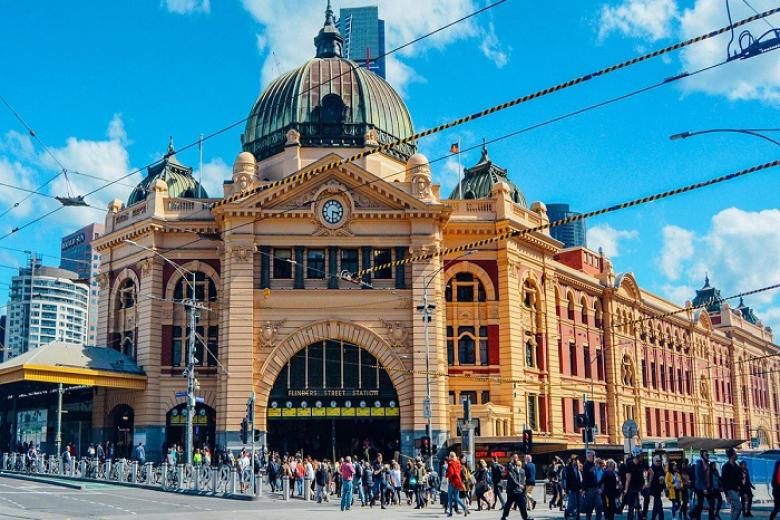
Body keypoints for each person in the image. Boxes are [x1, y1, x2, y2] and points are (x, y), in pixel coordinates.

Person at [501, 453, 528, 520]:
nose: (516, 458)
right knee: (508, 504)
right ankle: (504, 517)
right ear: (511, 458)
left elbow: (521, 478)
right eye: (514, 457)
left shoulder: (519, 467)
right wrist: (519, 485)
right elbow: (512, 477)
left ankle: (525, 517)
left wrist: (523, 486)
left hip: (518, 490)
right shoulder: (510, 466)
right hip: (512, 490)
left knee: (522, 504)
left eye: (517, 457)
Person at [623, 448, 647, 520]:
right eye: (641, 455)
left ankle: (643, 514)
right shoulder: (629, 464)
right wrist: (626, 490)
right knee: (631, 506)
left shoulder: (642, 463)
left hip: (641, 485)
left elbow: (651, 472)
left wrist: (648, 484)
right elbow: (628, 479)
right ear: (636, 456)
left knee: (647, 495)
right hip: (632, 486)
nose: (642, 456)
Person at [445, 452, 469, 516]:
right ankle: (464, 507)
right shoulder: (458, 463)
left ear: (451, 457)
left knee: (449, 497)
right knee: (457, 497)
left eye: (449, 456)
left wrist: (446, 475)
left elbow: (451, 473)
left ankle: (450, 513)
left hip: (452, 482)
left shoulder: (450, 463)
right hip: (458, 481)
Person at [721, 448, 742, 520]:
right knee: (739, 507)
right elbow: (723, 481)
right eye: (735, 453)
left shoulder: (736, 466)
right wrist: (726, 495)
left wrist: (740, 489)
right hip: (730, 490)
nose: (736, 455)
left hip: (736, 490)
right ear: (732, 455)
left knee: (733, 508)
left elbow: (739, 478)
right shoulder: (725, 467)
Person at [582, 450, 603, 520]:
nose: (593, 457)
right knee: (589, 506)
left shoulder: (593, 464)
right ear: (588, 456)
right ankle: (588, 518)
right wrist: (584, 489)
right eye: (592, 456)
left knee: (599, 505)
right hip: (589, 488)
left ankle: (598, 518)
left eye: (594, 456)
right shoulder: (586, 464)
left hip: (596, 488)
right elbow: (587, 474)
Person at [692, 450, 712, 520]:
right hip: (700, 488)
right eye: (706, 455)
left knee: (712, 503)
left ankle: (711, 518)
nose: (707, 456)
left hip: (708, 487)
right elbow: (699, 477)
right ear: (702, 456)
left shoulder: (708, 464)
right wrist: (704, 488)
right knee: (700, 505)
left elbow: (710, 476)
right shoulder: (699, 464)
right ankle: (693, 514)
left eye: (708, 455)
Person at [565, 453, 583, 520]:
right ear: (572, 460)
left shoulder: (578, 467)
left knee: (579, 502)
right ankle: (568, 512)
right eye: (575, 459)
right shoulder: (569, 468)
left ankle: (577, 515)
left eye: (577, 459)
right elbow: (568, 479)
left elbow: (581, 477)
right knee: (572, 503)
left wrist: (582, 487)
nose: (577, 460)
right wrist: (567, 489)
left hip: (579, 487)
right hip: (572, 488)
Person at [648, 455, 666, 520]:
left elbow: (664, 476)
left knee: (656, 506)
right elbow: (649, 480)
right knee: (659, 506)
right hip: (654, 489)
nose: (659, 462)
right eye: (657, 461)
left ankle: (653, 518)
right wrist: (658, 480)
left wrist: (664, 486)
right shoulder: (651, 468)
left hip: (659, 489)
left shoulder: (661, 468)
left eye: (660, 461)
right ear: (654, 461)